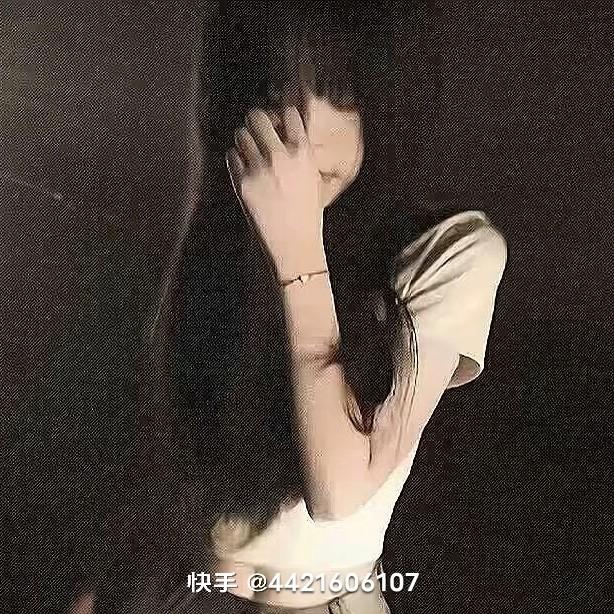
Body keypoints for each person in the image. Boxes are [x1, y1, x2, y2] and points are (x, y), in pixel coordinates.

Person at [86, 2, 508, 613]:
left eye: (338, 93)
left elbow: (339, 492)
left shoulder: (453, 251)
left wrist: (297, 247)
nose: (304, 131)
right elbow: (165, 467)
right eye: (276, 93)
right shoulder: (223, 241)